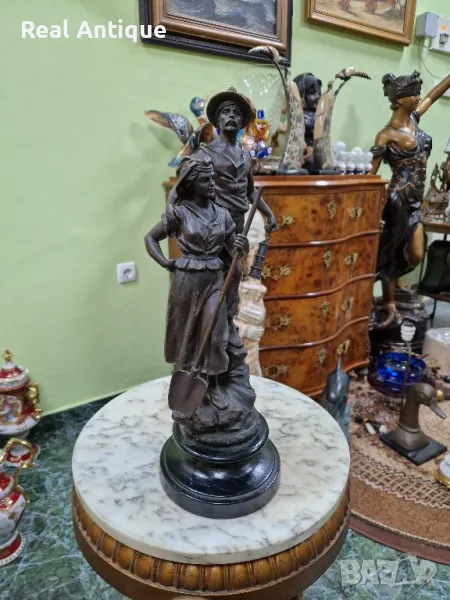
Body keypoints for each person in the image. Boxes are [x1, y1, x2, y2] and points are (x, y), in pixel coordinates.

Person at [166, 87, 277, 342]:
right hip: (214, 224)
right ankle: (209, 325)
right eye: (226, 112)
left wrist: (268, 214)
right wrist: (171, 206)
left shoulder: (244, 156)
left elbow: (250, 192)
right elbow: (181, 186)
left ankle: (227, 322)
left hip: (237, 223)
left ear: (242, 123)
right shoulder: (205, 154)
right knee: (216, 275)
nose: (231, 116)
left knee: (234, 273)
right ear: (217, 119)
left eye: (236, 113)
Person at [144, 154, 249, 417]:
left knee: (215, 335)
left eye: (213, 178)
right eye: (206, 180)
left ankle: (214, 386)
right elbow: (150, 238)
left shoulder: (222, 215)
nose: (212, 183)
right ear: (190, 184)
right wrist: (166, 263)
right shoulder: (180, 214)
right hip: (186, 283)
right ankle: (192, 390)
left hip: (214, 280)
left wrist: (242, 247)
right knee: (188, 337)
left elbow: (233, 251)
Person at [371, 70, 450, 327]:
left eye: (418, 94)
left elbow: (433, 95)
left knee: (415, 253)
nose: (418, 98)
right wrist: (373, 209)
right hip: (398, 201)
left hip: (416, 202)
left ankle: (393, 287)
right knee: (392, 251)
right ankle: (389, 302)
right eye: (413, 94)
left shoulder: (414, 119)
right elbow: (371, 175)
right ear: (399, 99)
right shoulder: (386, 135)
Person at [293, 72, 322, 173]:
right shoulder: (296, 119)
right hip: (302, 162)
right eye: (313, 92)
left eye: (318, 91)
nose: (318, 96)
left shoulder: (319, 117)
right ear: (301, 95)